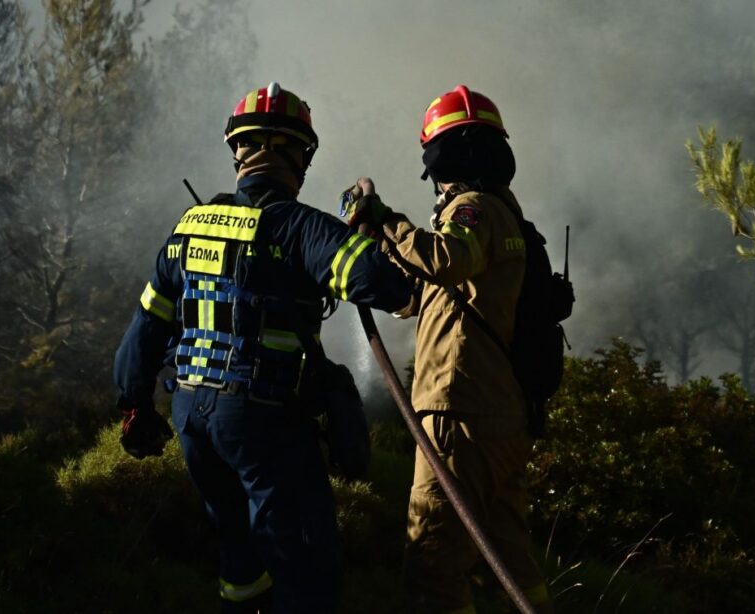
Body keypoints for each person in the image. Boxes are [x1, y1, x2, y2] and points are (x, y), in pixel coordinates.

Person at [113, 82, 412, 614]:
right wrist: (364, 227)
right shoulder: (300, 227)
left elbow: (146, 325)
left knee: (239, 553)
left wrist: (134, 402)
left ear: (239, 152)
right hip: (263, 420)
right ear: (300, 155)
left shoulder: (190, 227)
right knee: (304, 564)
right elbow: (383, 285)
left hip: (191, 416)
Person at [344, 85, 554, 613]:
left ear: (444, 157)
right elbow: (430, 293)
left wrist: (387, 219)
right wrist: (376, 260)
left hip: (460, 413)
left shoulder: (473, 209)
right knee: (503, 562)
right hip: (502, 416)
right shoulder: (508, 218)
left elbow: (444, 260)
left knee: (433, 562)